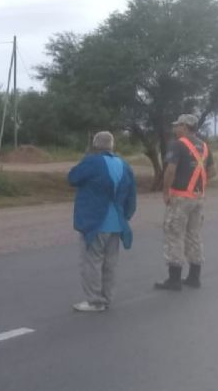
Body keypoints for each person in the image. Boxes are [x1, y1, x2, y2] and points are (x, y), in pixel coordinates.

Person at [68, 131, 137, 312]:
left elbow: (73, 178)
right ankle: (106, 297)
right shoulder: (124, 165)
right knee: (110, 264)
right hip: (117, 222)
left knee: (92, 261)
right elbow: (131, 195)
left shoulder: (92, 162)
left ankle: (94, 301)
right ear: (112, 145)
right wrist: (126, 216)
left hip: (95, 221)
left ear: (95, 145)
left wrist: (85, 157)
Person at [155, 114, 216, 291]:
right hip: (198, 198)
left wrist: (166, 192)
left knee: (174, 234)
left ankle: (174, 279)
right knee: (194, 235)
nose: (175, 129)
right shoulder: (204, 146)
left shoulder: (178, 144)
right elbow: (213, 171)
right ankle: (194, 277)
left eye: (177, 125)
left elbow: (170, 171)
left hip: (181, 198)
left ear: (185, 127)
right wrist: (197, 183)